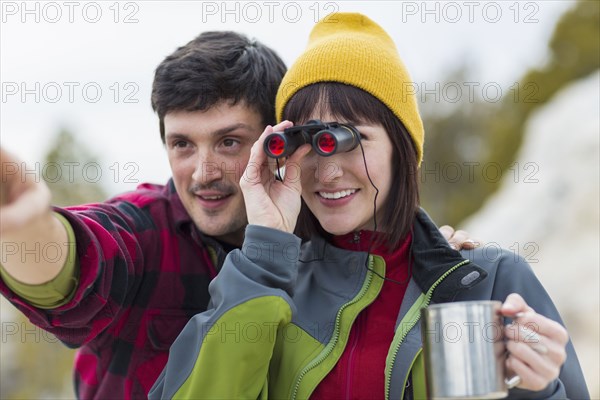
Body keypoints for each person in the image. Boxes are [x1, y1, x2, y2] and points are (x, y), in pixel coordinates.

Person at [0, 30, 473, 399]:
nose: (203, 173)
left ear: (278, 139)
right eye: (182, 144)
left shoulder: (323, 232)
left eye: (229, 142)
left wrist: (429, 261)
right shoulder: (147, 231)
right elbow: (80, 263)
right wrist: (26, 228)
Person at [150, 13, 589, 400]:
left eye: (350, 139)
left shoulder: (486, 281)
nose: (328, 172)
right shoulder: (264, 285)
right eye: (309, 144)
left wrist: (540, 390)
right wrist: (265, 252)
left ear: (402, 148)